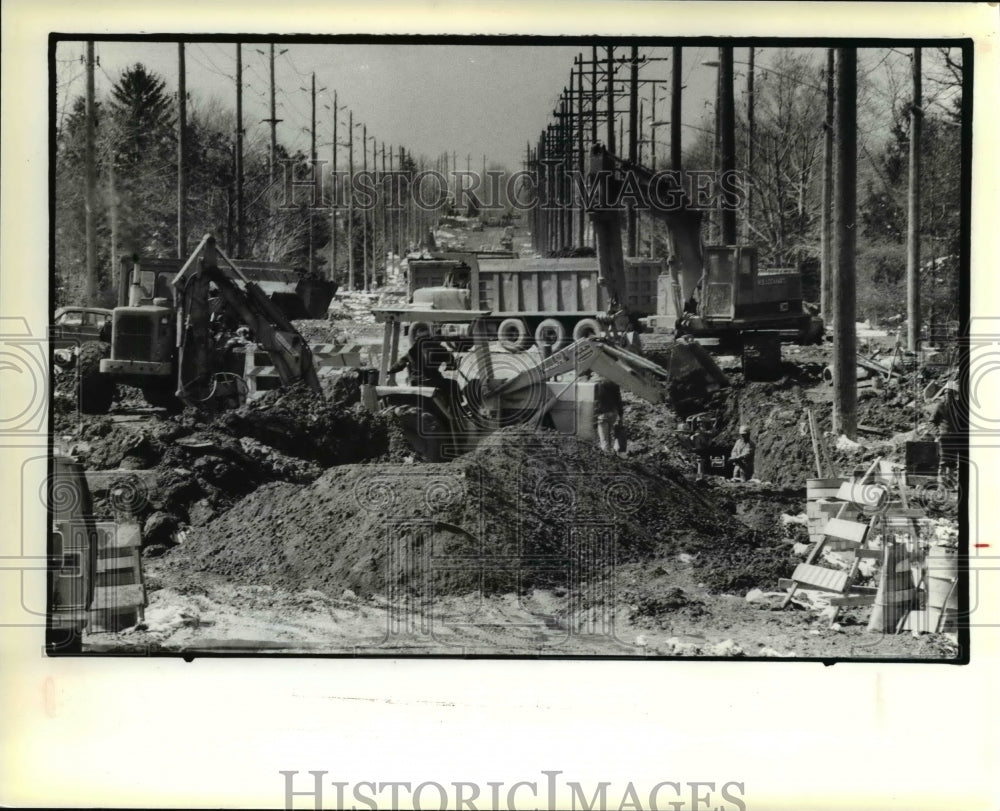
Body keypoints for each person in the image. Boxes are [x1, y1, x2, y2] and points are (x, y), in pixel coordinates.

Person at [931, 379, 964, 479]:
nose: (948, 396)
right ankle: (942, 484)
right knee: (943, 462)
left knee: (952, 462)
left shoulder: (959, 406)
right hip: (944, 437)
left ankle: (949, 483)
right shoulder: (940, 406)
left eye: (950, 393)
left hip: (955, 438)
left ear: (954, 394)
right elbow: (931, 421)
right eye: (946, 393)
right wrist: (937, 434)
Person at [592, 377, 625, 453]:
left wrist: (594, 420)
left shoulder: (597, 384)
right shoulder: (614, 384)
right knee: (609, 434)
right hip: (613, 413)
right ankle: (613, 454)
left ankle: (607, 454)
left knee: (604, 440)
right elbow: (619, 401)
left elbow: (596, 403)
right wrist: (621, 416)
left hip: (602, 414)